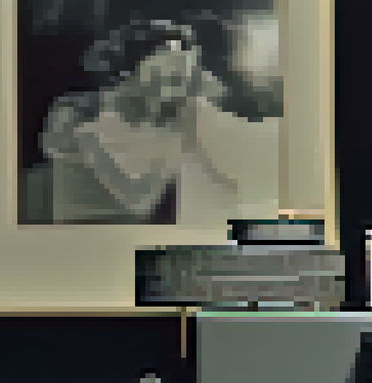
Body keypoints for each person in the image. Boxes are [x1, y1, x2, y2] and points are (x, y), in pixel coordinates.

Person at [20, 14, 281, 226]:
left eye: (182, 79)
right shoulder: (76, 112)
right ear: (128, 71)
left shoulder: (184, 123)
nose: (176, 88)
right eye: (167, 77)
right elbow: (137, 197)